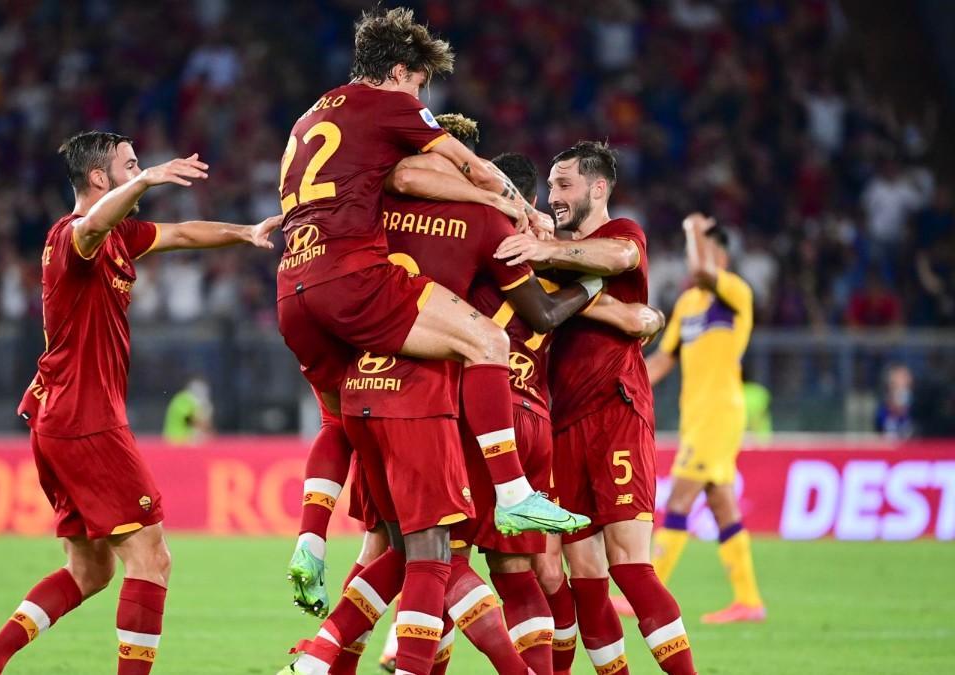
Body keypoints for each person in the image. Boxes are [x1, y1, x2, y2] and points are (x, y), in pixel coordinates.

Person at [0, 131, 280, 675]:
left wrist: (243, 232)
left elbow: (180, 233)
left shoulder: (123, 235)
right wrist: (150, 179)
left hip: (61, 416)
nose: (141, 170)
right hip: (85, 420)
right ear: (101, 179)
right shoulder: (71, 238)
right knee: (152, 558)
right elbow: (92, 225)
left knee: (91, 570)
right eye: (131, 165)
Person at [282, 5, 571, 622]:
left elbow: (400, 179)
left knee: (337, 425)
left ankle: (309, 540)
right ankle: (514, 492)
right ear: (400, 72)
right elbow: (465, 164)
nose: (424, 99)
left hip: (292, 288)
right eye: (420, 83)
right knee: (486, 343)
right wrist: (517, 207)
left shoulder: (313, 114)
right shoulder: (391, 105)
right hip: (352, 280)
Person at [281, 117, 598, 675]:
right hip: (447, 404)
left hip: (361, 389)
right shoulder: (487, 220)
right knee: (461, 562)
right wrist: (595, 282)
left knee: (397, 550)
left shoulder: (370, 212)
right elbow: (542, 312)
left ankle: (325, 659)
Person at [496, 141, 696, 675]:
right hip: (557, 423)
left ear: (598, 187)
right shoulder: (550, 245)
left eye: (565, 185)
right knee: (582, 579)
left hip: (615, 409)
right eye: (553, 186)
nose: (556, 196)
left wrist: (547, 255)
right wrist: (619, 310)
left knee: (630, 567)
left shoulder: (621, 232)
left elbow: (619, 259)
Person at [635, 213, 765, 626]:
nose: (699, 257)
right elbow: (663, 358)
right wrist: (622, 380)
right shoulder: (688, 305)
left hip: (720, 413)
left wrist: (692, 229)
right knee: (722, 503)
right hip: (696, 416)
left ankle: (648, 593)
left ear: (720, 255)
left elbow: (700, 272)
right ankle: (748, 600)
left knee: (678, 501)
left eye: (708, 248)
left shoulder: (735, 294)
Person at [162, 375, 214, 444]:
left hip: (186, 438)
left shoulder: (194, 402)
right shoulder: (183, 399)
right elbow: (188, 419)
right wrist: (206, 427)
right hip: (176, 438)